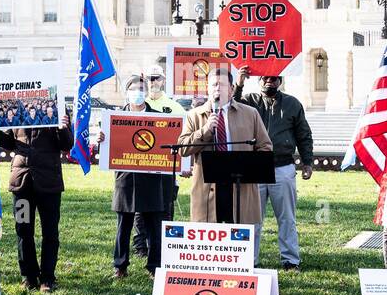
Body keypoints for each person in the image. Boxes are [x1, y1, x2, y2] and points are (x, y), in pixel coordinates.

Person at [233, 66, 314, 271]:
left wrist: (307, 161)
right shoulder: (249, 101)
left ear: (281, 80)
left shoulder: (292, 103)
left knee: (287, 217)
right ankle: (248, 260)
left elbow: (304, 134)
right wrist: (239, 84)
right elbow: (230, 107)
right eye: (266, 77)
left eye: (275, 78)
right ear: (259, 79)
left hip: (283, 165)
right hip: (254, 165)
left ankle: (290, 260)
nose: (270, 80)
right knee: (251, 218)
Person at [96, 75, 176, 280]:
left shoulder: (159, 117)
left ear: (147, 91)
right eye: (134, 88)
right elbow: (106, 149)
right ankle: (120, 265)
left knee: (154, 225)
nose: (138, 92)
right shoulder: (114, 118)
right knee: (124, 225)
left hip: (152, 178)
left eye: (142, 88)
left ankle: (154, 266)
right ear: (127, 91)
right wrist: (101, 139)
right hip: (126, 177)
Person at [178, 65, 272, 230]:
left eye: (221, 85)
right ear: (207, 89)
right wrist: (205, 131)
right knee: (210, 240)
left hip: (239, 185)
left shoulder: (250, 114)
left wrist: (248, 168)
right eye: (213, 85)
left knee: (240, 237)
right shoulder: (195, 115)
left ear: (231, 89)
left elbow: (265, 147)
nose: (217, 89)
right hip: (208, 188)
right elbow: (183, 149)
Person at [0, 97, 72, 292]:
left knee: (50, 232)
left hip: (49, 183)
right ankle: (28, 275)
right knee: (23, 229)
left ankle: (47, 278)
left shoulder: (57, 108)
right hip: (22, 184)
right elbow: (10, 143)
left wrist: (63, 127)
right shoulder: (17, 109)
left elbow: (67, 145)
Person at [131, 64, 185, 259]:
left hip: (164, 168)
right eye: (150, 78)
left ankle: (165, 245)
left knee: (165, 207)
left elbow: (182, 138)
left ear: (163, 80)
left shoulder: (174, 107)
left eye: (157, 78)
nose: (154, 82)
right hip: (139, 166)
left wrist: (183, 165)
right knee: (139, 208)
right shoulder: (136, 104)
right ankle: (140, 246)